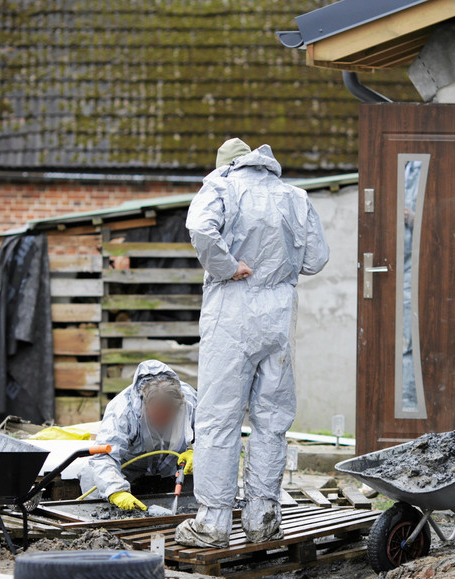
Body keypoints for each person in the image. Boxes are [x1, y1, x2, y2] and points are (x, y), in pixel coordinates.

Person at [174, 139, 329, 548]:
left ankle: (213, 523)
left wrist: (228, 265)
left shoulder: (221, 187)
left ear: (227, 165)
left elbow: (200, 230)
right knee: (272, 419)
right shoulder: (295, 197)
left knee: (218, 418)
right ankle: (263, 518)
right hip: (278, 315)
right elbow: (316, 260)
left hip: (233, 310)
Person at [79, 360, 196, 511]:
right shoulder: (122, 410)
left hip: (173, 470)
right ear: (145, 406)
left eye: (168, 414)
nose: (163, 420)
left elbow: (211, 437)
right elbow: (104, 456)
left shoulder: (190, 401)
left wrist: (197, 452)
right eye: (158, 414)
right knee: (92, 474)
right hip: (127, 469)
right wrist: (116, 491)